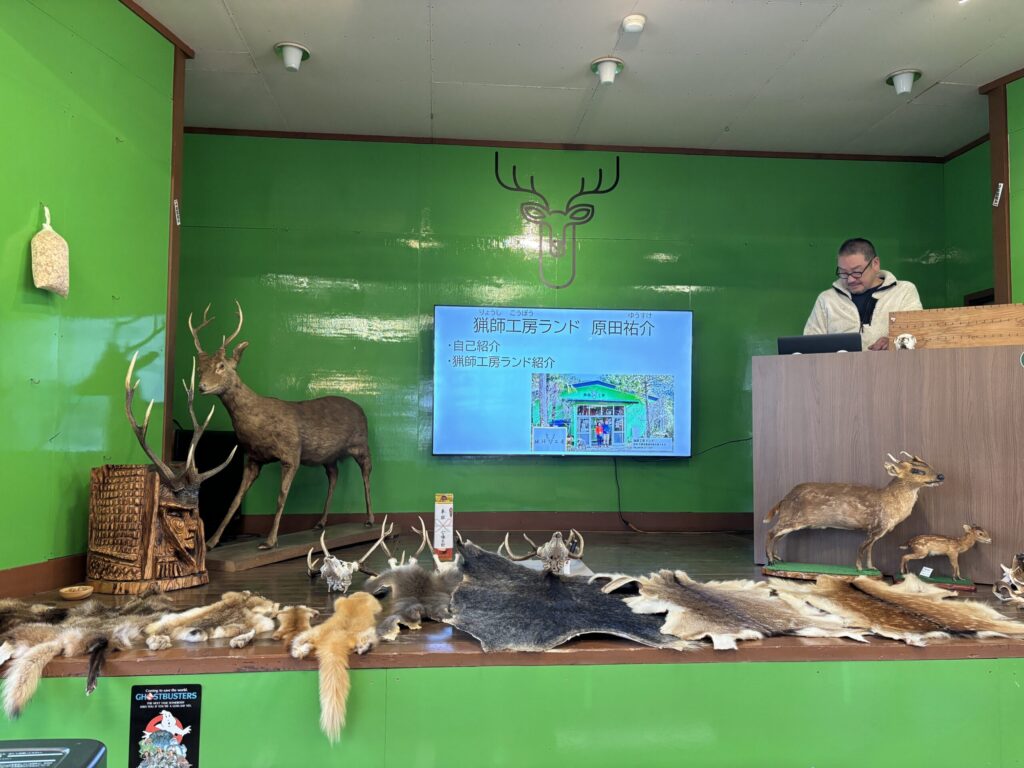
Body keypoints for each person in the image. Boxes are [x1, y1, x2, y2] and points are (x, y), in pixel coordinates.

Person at [803, 238, 922, 351]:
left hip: (891, 365)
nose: (850, 280)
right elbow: (809, 347)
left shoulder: (903, 291)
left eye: (856, 272)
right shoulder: (827, 299)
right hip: (839, 366)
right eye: (843, 273)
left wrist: (893, 342)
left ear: (875, 264)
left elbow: (918, 337)